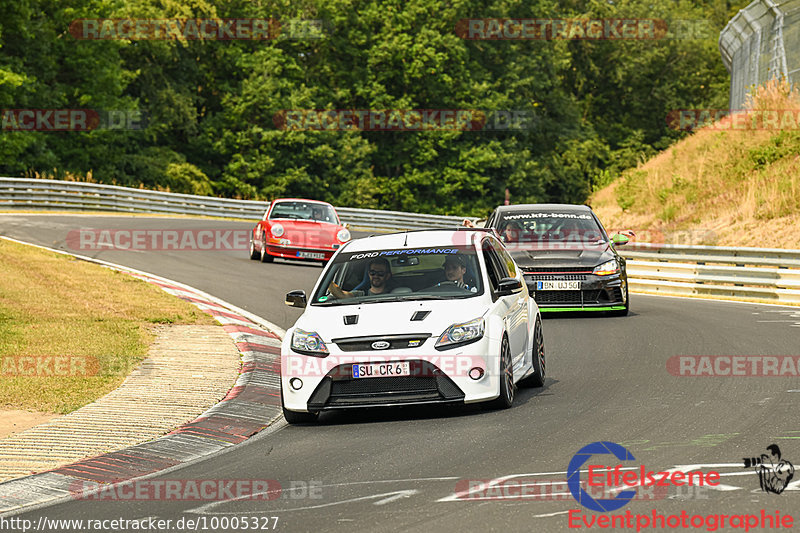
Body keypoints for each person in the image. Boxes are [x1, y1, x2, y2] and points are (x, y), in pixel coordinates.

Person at [328, 257, 392, 298]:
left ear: (387, 276)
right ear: (368, 274)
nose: (376, 276)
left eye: (380, 273)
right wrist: (327, 280)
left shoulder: (394, 294)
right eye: (372, 272)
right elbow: (341, 295)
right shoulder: (359, 295)